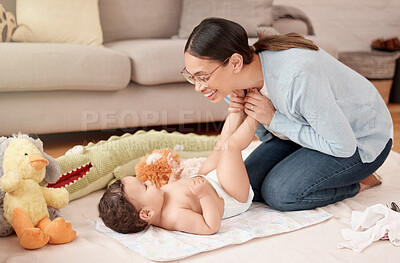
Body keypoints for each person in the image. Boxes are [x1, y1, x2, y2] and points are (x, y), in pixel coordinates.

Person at [180, 17, 393, 211]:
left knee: (282, 194)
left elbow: (343, 146)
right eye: (192, 77)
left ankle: (360, 181)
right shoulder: (233, 85)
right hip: (305, 132)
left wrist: (273, 118)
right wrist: (248, 113)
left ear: (235, 62)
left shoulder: (297, 77)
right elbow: (269, 137)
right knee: (248, 185)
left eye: (203, 77)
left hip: (358, 141)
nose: (198, 87)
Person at [98, 93, 258, 235]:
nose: (149, 182)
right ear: (146, 214)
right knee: (229, 148)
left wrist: (175, 176)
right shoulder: (175, 217)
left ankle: (236, 110)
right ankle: (256, 113)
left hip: (209, 180)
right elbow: (210, 226)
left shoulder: (157, 199)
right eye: (145, 187)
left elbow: (173, 190)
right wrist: (204, 195)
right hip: (231, 195)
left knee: (219, 147)